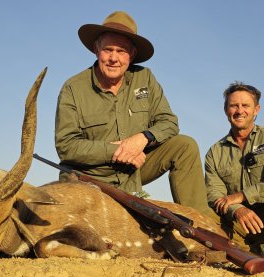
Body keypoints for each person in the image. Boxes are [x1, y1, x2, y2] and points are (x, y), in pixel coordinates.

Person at [55, 11, 214, 217]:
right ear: (96, 50)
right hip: (90, 176)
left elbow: (169, 122)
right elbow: (66, 146)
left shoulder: (145, 77)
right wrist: (120, 150)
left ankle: (201, 222)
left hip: (133, 170)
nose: (114, 58)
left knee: (185, 145)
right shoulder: (72, 88)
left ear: (131, 54)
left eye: (121, 51)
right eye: (108, 50)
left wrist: (142, 139)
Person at [205, 81, 264, 255]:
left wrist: (241, 196)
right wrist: (238, 209)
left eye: (245, 105)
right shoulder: (214, 152)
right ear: (226, 110)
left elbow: (230, 198)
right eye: (233, 106)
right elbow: (214, 195)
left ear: (256, 109)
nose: (239, 111)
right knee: (202, 213)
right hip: (240, 227)